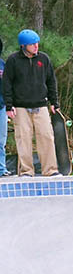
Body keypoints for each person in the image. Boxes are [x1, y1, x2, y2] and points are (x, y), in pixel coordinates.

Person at [2, 29, 60, 177]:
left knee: (46, 137)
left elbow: (51, 81)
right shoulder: (13, 60)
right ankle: (26, 171)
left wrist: (54, 102)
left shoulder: (44, 59)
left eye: (36, 43)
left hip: (41, 105)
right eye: (32, 44)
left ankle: (50, 170)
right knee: (23, 139)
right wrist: (9, 106)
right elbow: (7, 84)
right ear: (23, 46)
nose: (36, 46)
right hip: (20, 107)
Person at [0, 37, 9, 176]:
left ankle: (1, 168)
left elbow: (9, 86)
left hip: (1, 105)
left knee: (1, 139)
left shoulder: (2, 64)